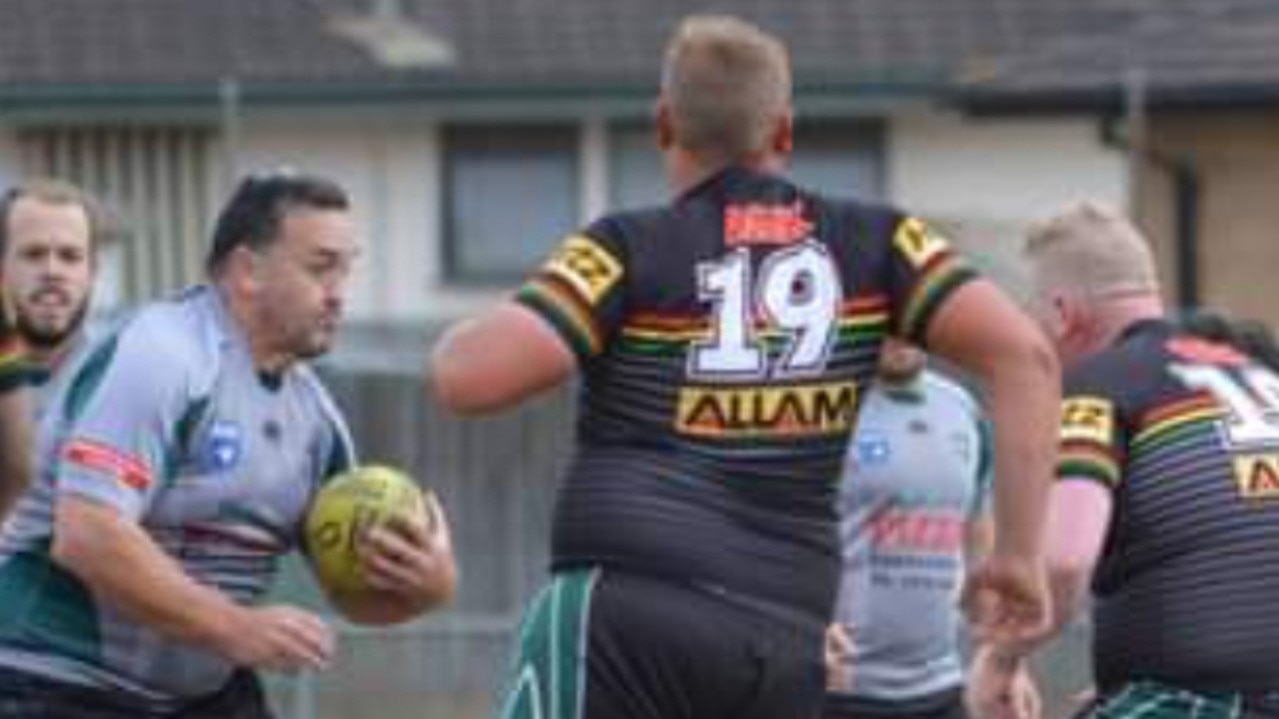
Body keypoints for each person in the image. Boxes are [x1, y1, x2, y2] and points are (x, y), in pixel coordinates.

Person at [432, 14, 1059, 719]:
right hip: (782, 634)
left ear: (663, 125)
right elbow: (1027, 357)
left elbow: (469, 379)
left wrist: (470, 330)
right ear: (784, 133)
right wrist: (1016, 552)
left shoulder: (627, 247)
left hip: (623, 617)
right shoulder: (878, 242)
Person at [0, 171, 457, 718]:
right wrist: (235, 627)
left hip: (197, 697)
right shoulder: (164, 354)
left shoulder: (315, 421)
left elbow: (352, 592)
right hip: (51, 679)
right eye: (320, 268)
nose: (339, 294)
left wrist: (427, 585)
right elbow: (88, 535)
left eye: (345, 269)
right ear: (247, 272)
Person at [968, 201, 1279, 719]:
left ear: (1063, 315)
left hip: (1200, 700)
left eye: (1030, 320)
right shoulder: (1259, 375)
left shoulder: (1100, 384)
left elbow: (1064, 562)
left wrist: (1002, 660)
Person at [824, 338, 1037, 719]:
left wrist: (1005, 661)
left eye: (912, 314)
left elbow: (978, 539)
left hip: (940, 691)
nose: (901, 330)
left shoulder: (962, 408)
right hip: (838, 690)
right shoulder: (820, 406)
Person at [0, 179, 104, 419]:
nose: (52, 271)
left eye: (70, 256)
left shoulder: (131, 379)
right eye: (33, 254)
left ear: (93, 271)